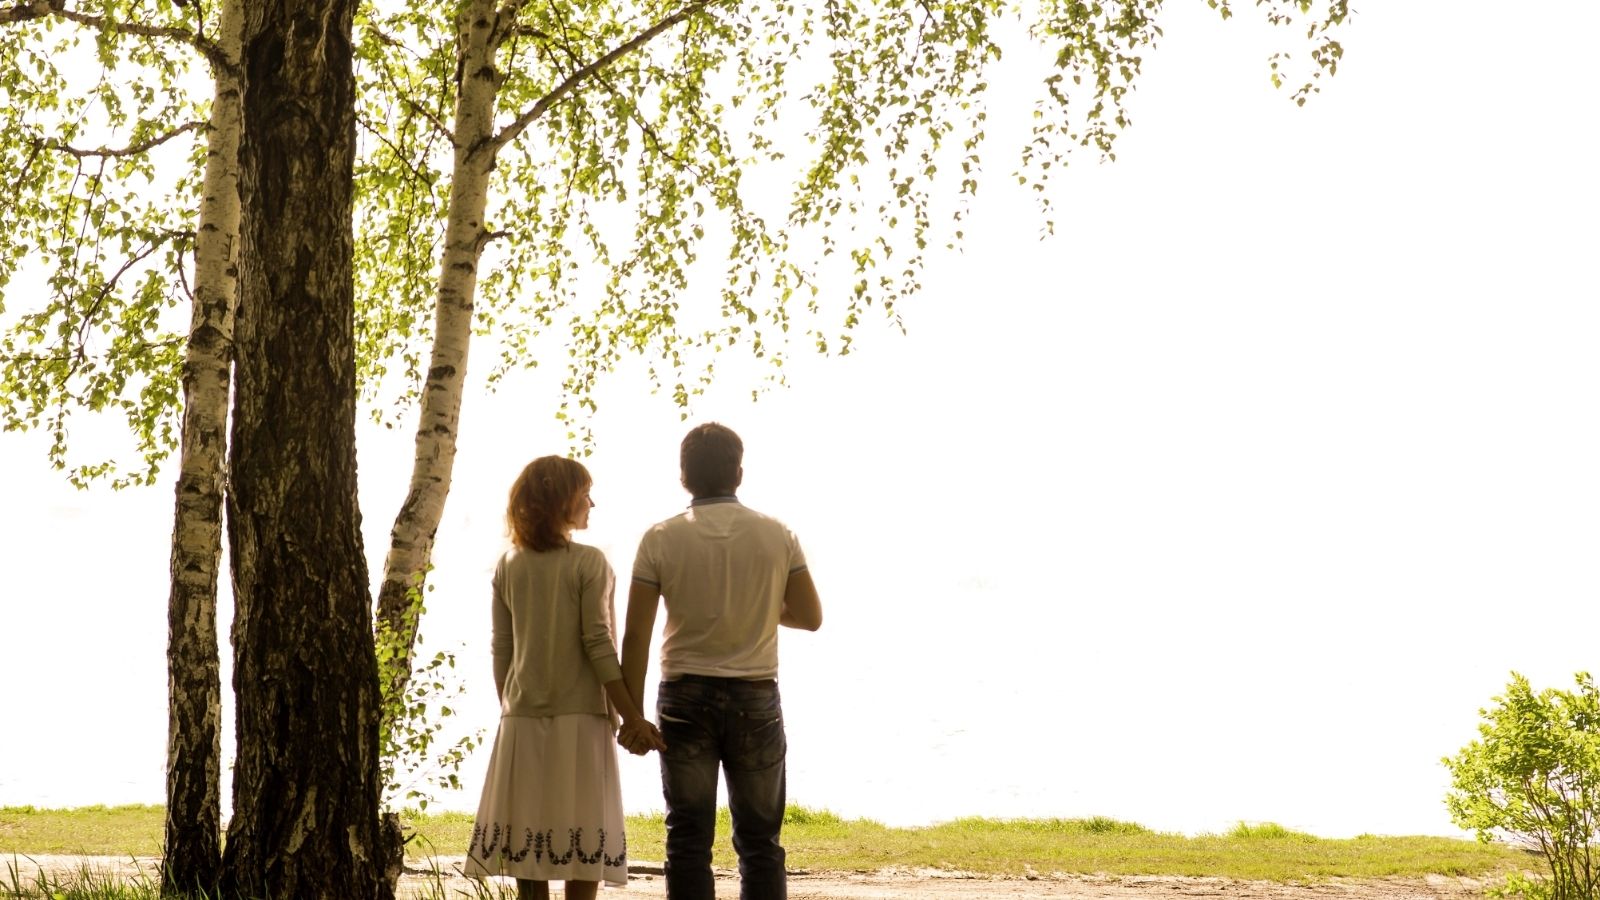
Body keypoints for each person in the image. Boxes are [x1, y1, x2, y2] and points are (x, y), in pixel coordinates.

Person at [620, 423, 823, 900]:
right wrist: (759, 604)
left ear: (684, 477)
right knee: (761, 842)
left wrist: (631, 716)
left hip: (684, 696)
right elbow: (811, 617)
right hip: (755, 694)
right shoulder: (778, 535)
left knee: (688, 840)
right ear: (739, 472)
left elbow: (635, 635)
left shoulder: (659, 538)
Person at [466, 456, 665, 900]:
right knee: (584, 844)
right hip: (581, 718)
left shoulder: (508, 564)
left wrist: (510, 705)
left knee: (528, 847)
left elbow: (503, 649)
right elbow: (599, 644)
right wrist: (631, 716)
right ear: (561, 501)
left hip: (520, 718)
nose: (592, 503)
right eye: (584, 494)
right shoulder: (589, 562)